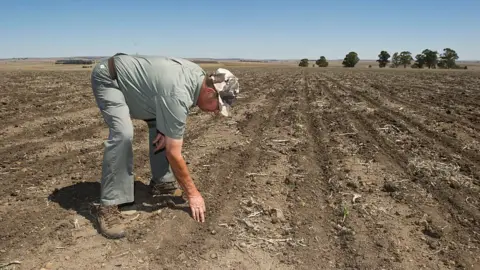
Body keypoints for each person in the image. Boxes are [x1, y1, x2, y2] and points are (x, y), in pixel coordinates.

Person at [90, 53, 239, 239]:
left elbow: (164, 96)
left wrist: (165, 127)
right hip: (110, 79)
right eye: (217, 106)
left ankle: (162, 182)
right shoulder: (178, 93)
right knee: (123, 133)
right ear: (209, 92)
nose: (216, 111)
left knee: (163, 129)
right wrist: (193, 194)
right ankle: (109, 204)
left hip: (141, 89)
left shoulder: (200, 78)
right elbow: (174, 153)